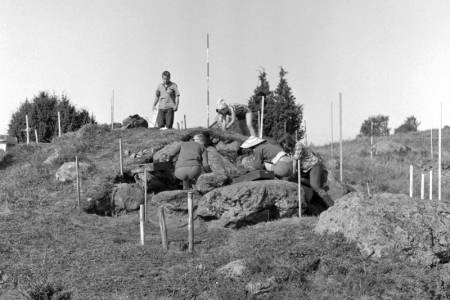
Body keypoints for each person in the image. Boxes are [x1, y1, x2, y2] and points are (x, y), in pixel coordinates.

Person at [293, 141, 334, 207]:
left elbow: (296, 158)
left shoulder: (298, 144)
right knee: (299, 180)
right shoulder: (289, 150)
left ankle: (331, 204)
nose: (284, 146)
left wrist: (293, 172)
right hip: (305, 169)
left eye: (284, 143)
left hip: (314, 166)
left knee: (315, 186)